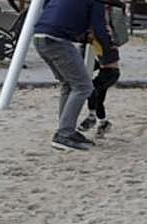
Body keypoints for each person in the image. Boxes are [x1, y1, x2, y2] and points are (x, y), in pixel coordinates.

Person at [34, 0, 118, 152]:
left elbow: (48, 6)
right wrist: (109, 53)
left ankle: (66, 129)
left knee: (68, 84)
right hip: (58, 40)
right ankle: (64, 134)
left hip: (40, 36)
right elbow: (99, 29)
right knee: (83, 87)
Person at [78, 15, 121, 136]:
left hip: (110, 73)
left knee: (92, 90)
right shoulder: (100, 40)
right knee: (99, 100)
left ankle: (92, 117)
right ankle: (103, 122)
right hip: (107, 72)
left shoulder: (104, 39)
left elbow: (106, 59)